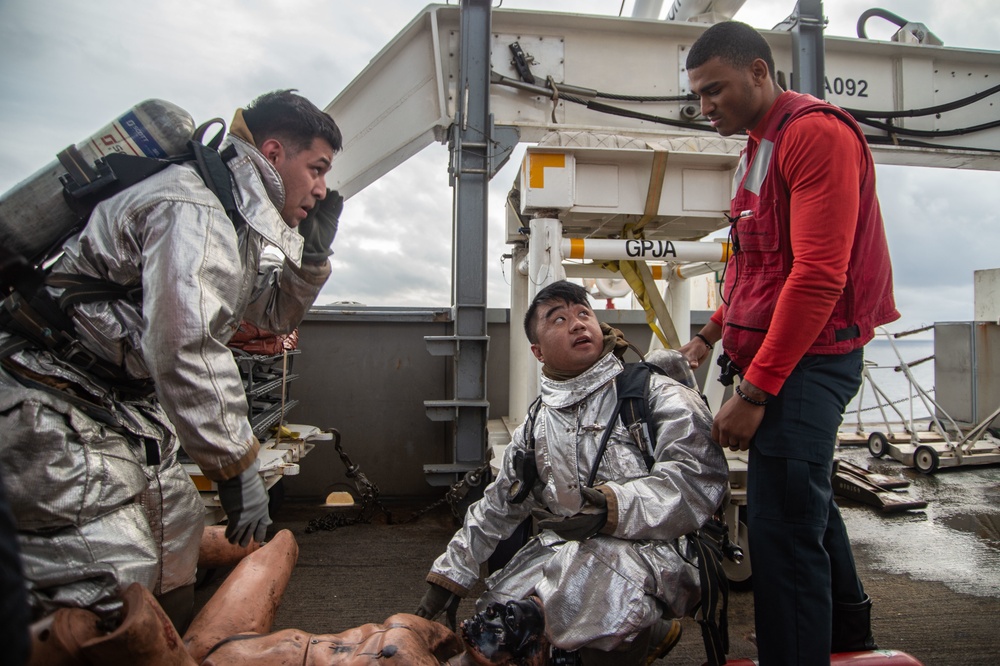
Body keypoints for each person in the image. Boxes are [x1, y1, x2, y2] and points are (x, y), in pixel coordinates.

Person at [0, 89, 343, 629]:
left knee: (175, 531)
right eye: (317, 168)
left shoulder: (233, 221)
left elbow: (272, 314)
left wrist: (313, 258)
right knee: (109, 583)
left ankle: (169, 643)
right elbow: (186, 345)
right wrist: (237, 468)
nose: (322, 189)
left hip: (115, 404)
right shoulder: (193, 208)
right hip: (49, 397)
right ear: (274, 153)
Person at [680, 21, 900, 665]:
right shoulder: (758, 146)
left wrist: (754, 391)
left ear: (758, 72)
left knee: (781, 525)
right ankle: (846, 631)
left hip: (809, 362)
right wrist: (710, 334)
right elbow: (756, 265)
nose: (705, 107)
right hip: (776, 357)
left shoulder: (814, 135)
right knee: (808, 499)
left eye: (715, 89)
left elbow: (818, 277)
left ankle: (794, 651)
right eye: (697, 96)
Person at [416, 280, 729, 665]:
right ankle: (645, 636)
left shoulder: (654, 392)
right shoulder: (536, 425)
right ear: (537, 351)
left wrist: (613, 507)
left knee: (583, 589)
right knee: (503, 603)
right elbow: (498, 505)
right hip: (574, 553)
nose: (578, 324)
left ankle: (616, 643)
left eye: (584, 314)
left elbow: (699, 478)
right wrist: (449, 576)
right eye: (559, 319)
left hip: (667, 549)